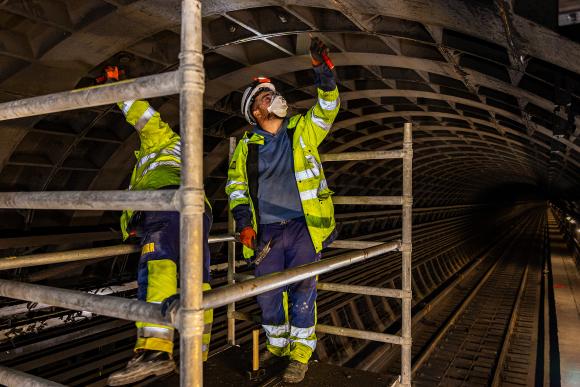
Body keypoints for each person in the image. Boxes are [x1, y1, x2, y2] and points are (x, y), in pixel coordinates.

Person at [226, 38, 339, 383]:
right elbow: (236, 188)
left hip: (303, 227)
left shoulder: (302, 129)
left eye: (272, 93)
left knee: (304, 289)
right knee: (268, 294)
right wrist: (244, 224)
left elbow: (328, 108)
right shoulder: (247, 147)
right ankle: (277, 351)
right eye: (265, 97)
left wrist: (323, 72)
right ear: (256, 112)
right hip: (268, 234)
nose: (274, 98)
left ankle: (300, 355)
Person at [104, 67, 213, 386]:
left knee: (159, 269)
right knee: (196, 280)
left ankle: (154, 352)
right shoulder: (185, 160)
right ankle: (197, 355)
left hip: (166, 206)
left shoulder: (164, 142)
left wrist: (116, 89)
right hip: (192, 213)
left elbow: (144, 116)